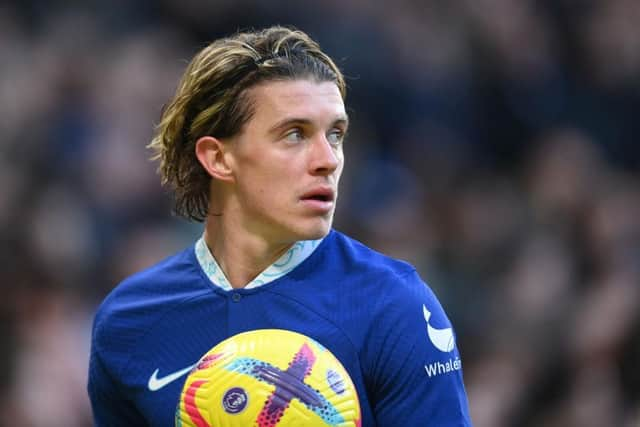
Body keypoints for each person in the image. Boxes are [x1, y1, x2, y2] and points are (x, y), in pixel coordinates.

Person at [88, 26, 473, 426]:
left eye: (336, 134)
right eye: (294, 134)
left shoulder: (394, 307)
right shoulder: (128, 322)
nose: (328, 159)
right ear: (218, 158)